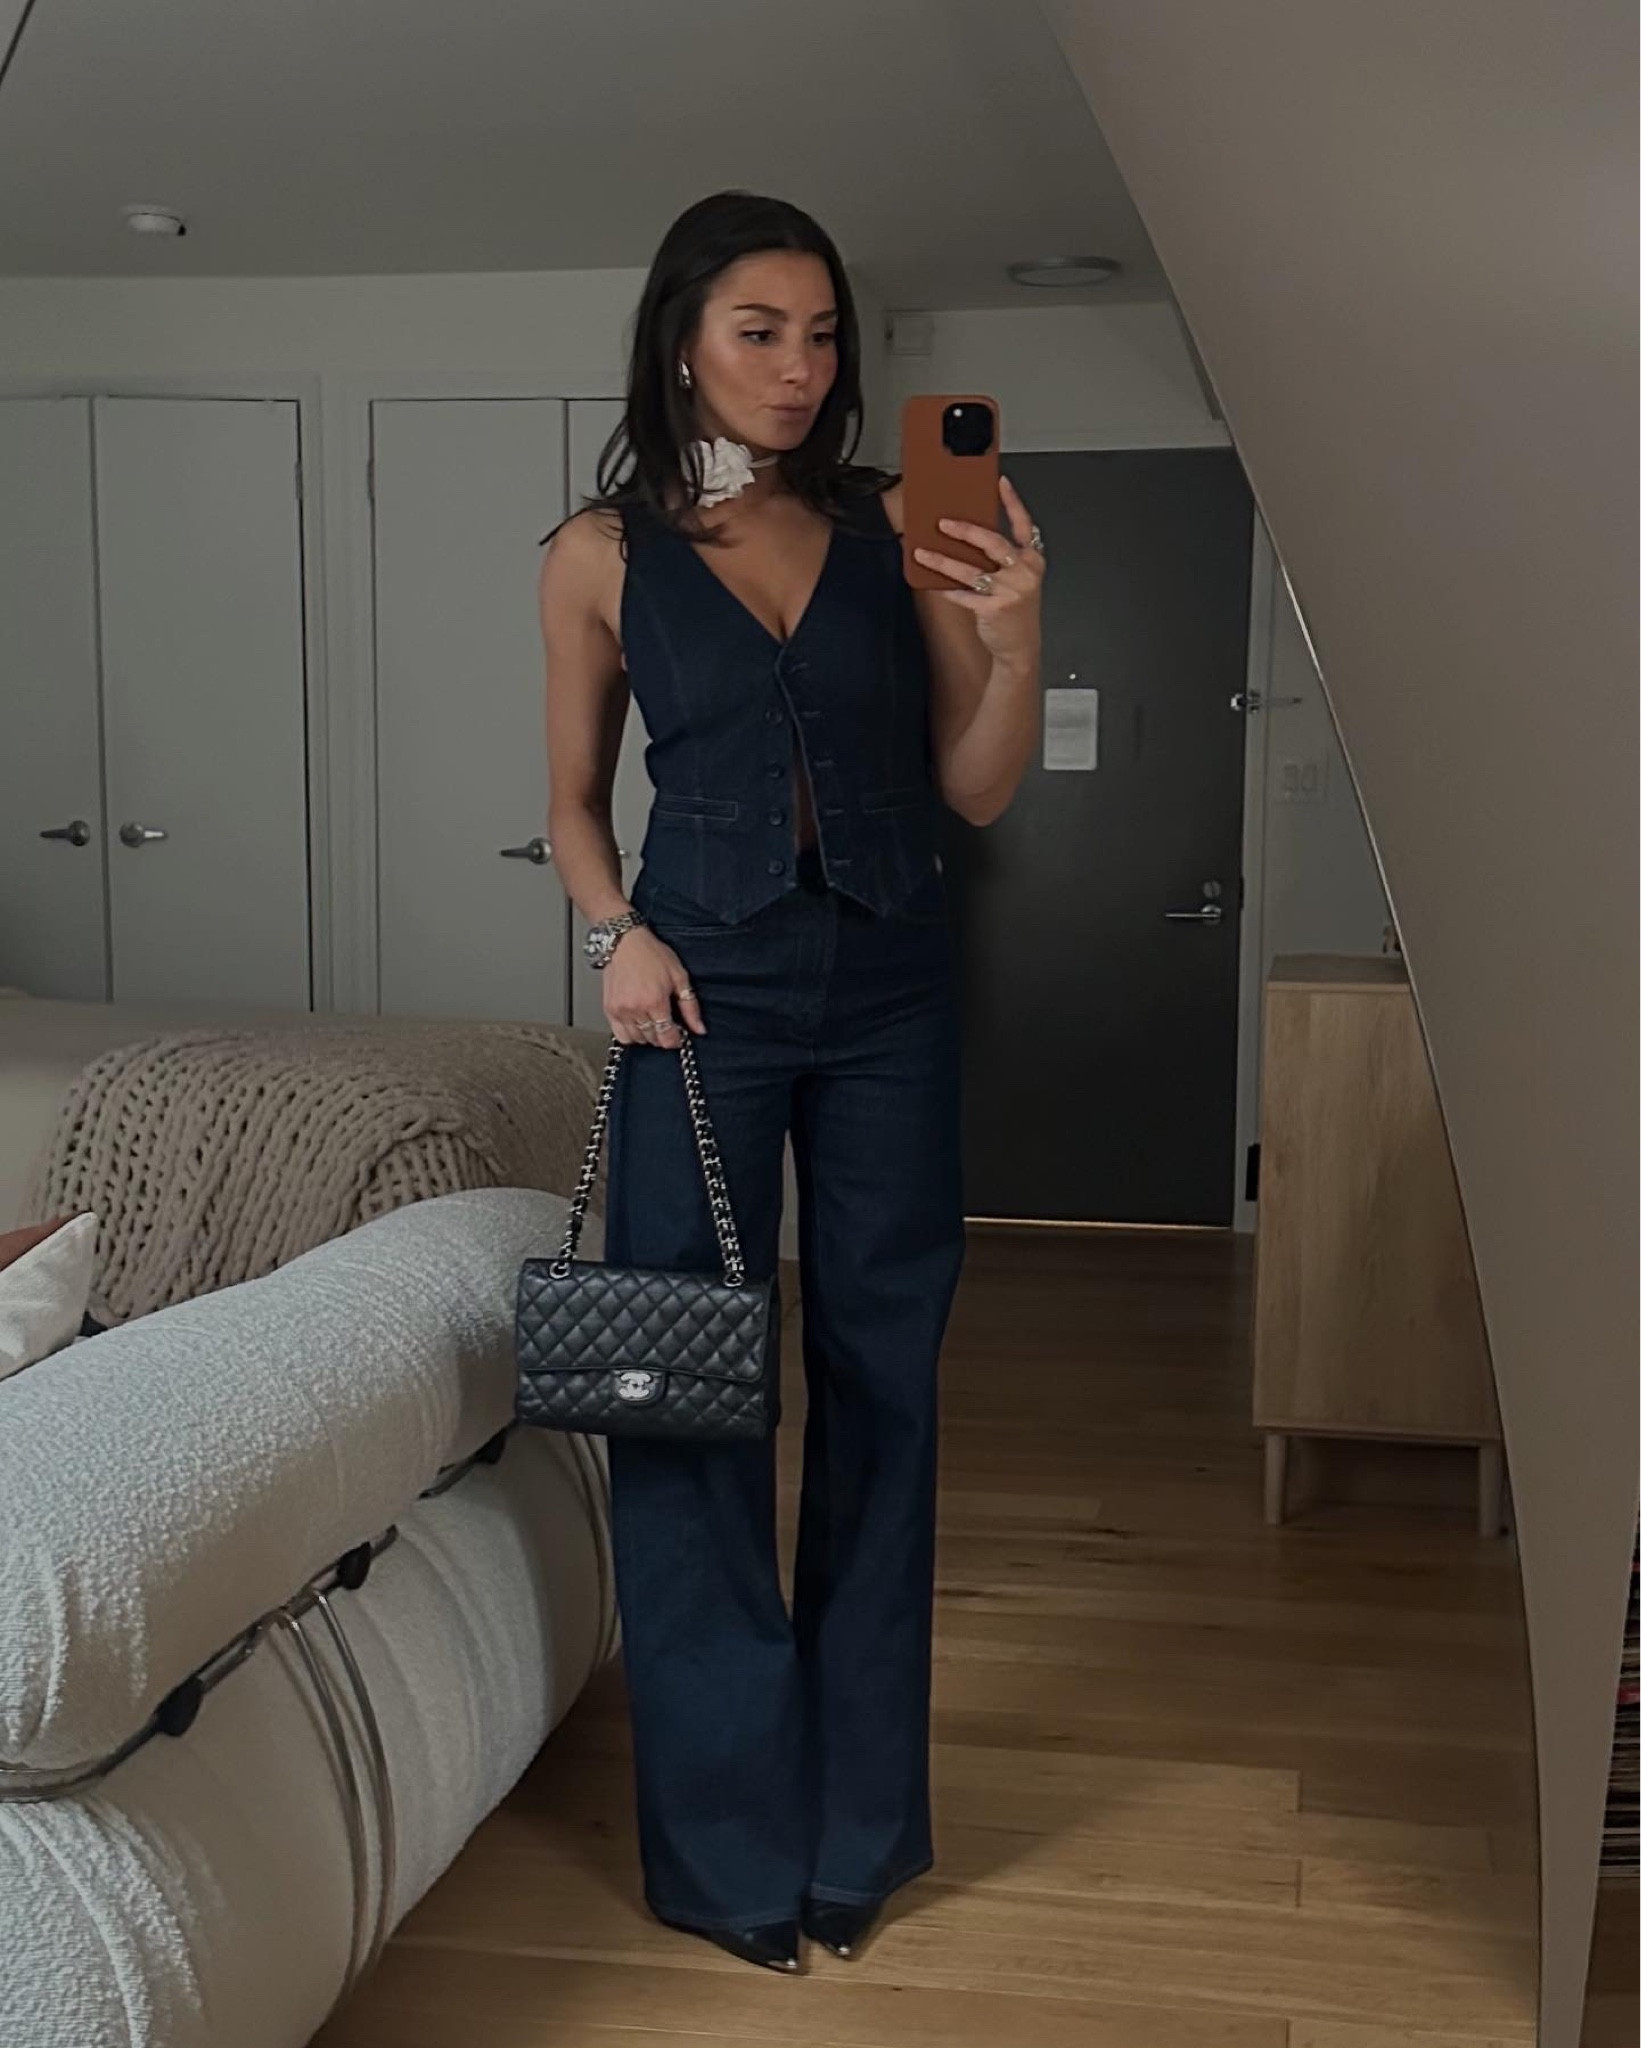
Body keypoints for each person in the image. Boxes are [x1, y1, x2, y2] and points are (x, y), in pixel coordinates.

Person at [537, 190, 1044, 1973]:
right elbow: (572, 805)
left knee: (883, 1385)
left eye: (821, 334)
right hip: (701, 1000)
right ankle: (728, 1856)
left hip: (892, 987)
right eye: (758, 329)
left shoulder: (904, 520)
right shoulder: (596, 553)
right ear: (682, 340)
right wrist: (618, 936)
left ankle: (855, 1836)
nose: (798, 366)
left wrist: (1019, 634)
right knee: (688, 1396)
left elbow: (976, 785)